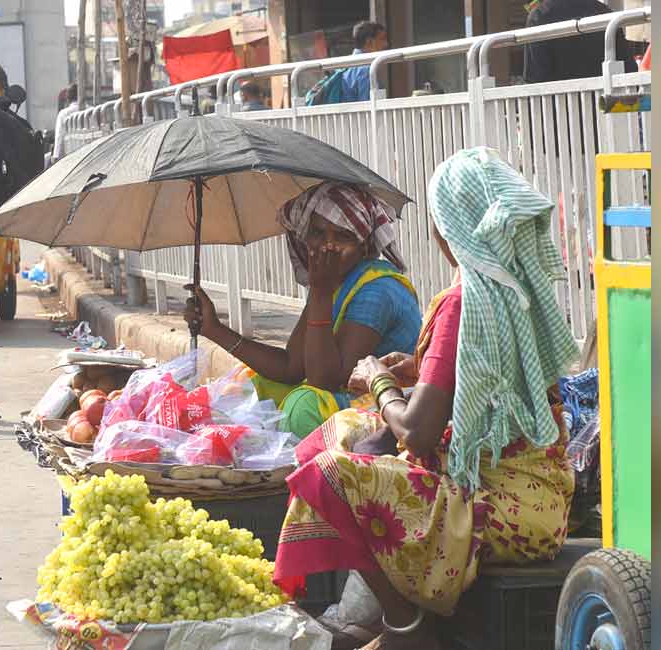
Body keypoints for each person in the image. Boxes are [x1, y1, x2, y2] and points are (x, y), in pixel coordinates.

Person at [273, 147, 578, 650]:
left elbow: (417, 430)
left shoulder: (465, 300)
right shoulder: (514, 282)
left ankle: (405, 628)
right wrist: (416, 368)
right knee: (344, 430)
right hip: (540, 493)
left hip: (496, 505)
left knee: (325, 471)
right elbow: (490, 370)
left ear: (447, 227)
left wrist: (379, 379)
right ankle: (390, 611)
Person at [184, 183, 422, 439]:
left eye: (342, 237)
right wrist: (214, 329)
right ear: (304, 237)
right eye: (318, 233)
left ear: (363, 247)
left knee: (304, 405)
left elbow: (327, 380)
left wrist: (320, 293)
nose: (328, 246)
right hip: (347, 395)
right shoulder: (332, 281)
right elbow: (291, 367)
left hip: (393, 404)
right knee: (255, 385)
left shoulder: (376, 289)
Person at [523, 0, 640, 83]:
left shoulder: (539, 16)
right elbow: (629, 68)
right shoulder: (605, 13)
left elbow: (535, 76)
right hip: (605, 105)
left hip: (558, 109)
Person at [305, 21, 388, 106]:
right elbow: (368, 106)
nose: (386, 44)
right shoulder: (366, 70)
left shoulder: (345, 65)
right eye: (382, 39)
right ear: (369, 42)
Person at [52, 83, 79, 161]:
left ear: (68, 98)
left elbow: (59, 135)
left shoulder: (63, 113)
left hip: (70, 154)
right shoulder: (91, 110)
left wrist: (56, 155)